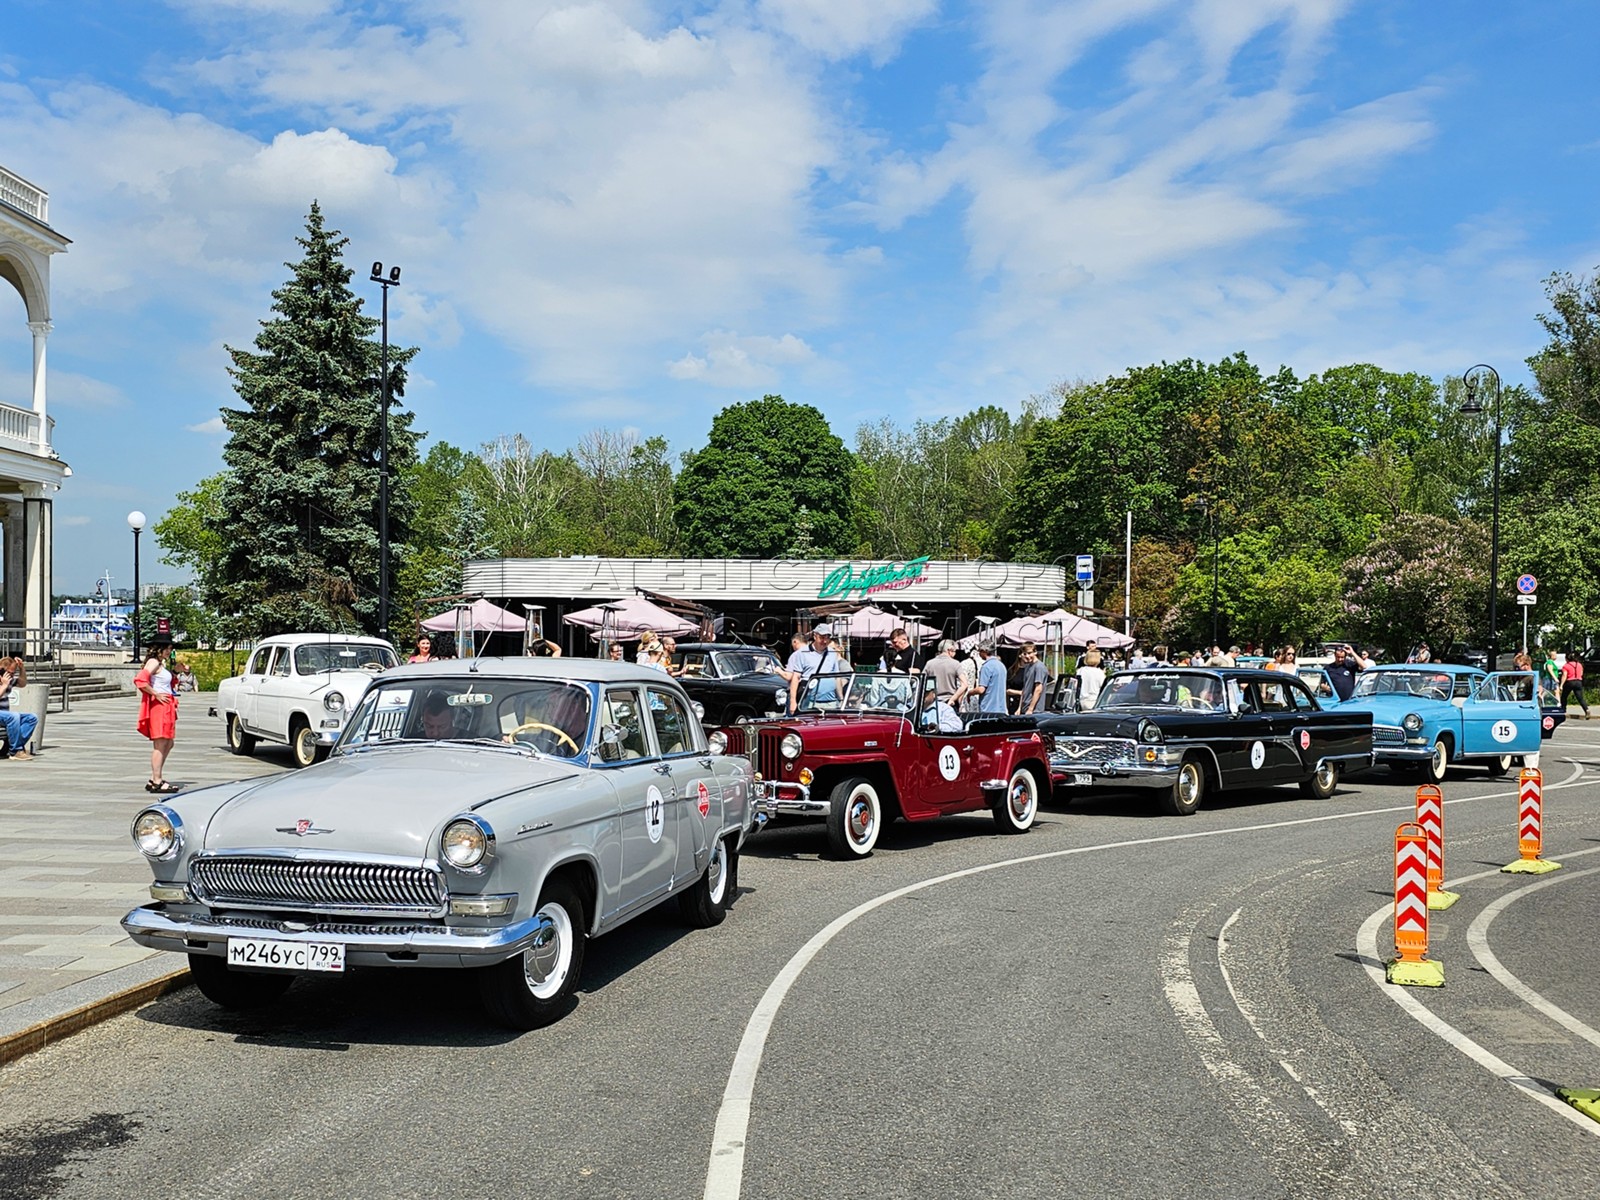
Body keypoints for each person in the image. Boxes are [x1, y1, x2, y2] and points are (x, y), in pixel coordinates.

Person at [135, 633, 180, 792]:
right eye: (167, 648)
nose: (169, 651)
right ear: (159, 648)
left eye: (170, 648)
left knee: (168, 742)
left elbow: (165, 683)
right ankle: (157, 780)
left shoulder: (160, 663)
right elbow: (140, 680)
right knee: (161, 743)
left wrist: (175, 673)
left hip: (166, 705)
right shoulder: (153, 662)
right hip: (160, 706)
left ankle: (156, 777)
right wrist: (156, 694)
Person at [785, 628, 839, 711]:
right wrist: (793, 701)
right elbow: (796, 677)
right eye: (822, 637)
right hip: (809, 701)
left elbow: (837, 677)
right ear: (815, 636)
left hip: (830, 701)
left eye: (827, 638)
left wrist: (841, 699)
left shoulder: (832, 653)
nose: (824, 641)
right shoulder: (802, 653)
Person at [0, 657, 39, 761]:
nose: (12, 675)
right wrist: (4, 685)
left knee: (32, 718)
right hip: (4, 716)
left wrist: (22, 668)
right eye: (10, 673)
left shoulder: (9, 680)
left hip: (4, 715)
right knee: (14, 717)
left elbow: (22, 684)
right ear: (2, 670)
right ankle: (16, 751)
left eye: (14, 673)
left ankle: (12, 747)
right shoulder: (5, 682)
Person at [923, 639, 965, 704]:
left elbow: (922, 682)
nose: (955, 654)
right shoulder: (956, 664)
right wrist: (953, 699)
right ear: (949, 650)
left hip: (933, 702)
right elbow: (964, 684)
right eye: (954, 651)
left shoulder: (929, 663)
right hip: (949, 701)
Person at [972, 644, 1008, 714]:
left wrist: (970, 693)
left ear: (984, 651)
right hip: (1001, 709)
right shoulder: (1001, 665)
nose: (979, 654)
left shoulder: (986, 667)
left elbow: (981, 689)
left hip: (988, 709)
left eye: (979, 651)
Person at [1015, 642, 1049, 714]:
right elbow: (1024, 689)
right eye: (1025, 654)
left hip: (1035, 711)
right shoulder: (1027, 666)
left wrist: (1030, 709)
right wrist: (1019, 708)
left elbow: (1038, 689)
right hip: (1025, 709)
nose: (1027, 656)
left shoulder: (1039, 667)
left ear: (1035, 652)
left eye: (1029, 653)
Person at [1561, 652, 1590, 719]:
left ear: (1567, 659)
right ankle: (1586, 709)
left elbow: (1564, 676)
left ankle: (1563, 710)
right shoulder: (1579, 665)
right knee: (1580, 698)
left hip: (1570, 682)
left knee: (1564, 696)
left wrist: (1561, 685)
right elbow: (1581, 673)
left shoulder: (1566, 666)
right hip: (1578, 681)